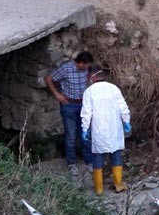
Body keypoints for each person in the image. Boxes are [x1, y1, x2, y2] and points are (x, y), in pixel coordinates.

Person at [80, 66, 131, 195]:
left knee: (98, 157)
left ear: (93, 76)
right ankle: (118, 185)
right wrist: (126, 121)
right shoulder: (114, 88)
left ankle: (99, 188)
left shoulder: (89, 92)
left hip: (99, 129)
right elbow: (123, 107)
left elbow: (86, 113)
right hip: (115, 128)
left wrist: (85, 129)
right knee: (116, 155)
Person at [44, 51, 94, 175]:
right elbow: (48, 78)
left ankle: (89, 161)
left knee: (85, 133)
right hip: (69, 105)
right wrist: (57, 94)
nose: (87, 68)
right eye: (85, 65)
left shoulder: (88, 70)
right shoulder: (66, 68)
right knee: (71, 135)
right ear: (80, 63)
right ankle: (72, 163)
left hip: (83, 105)